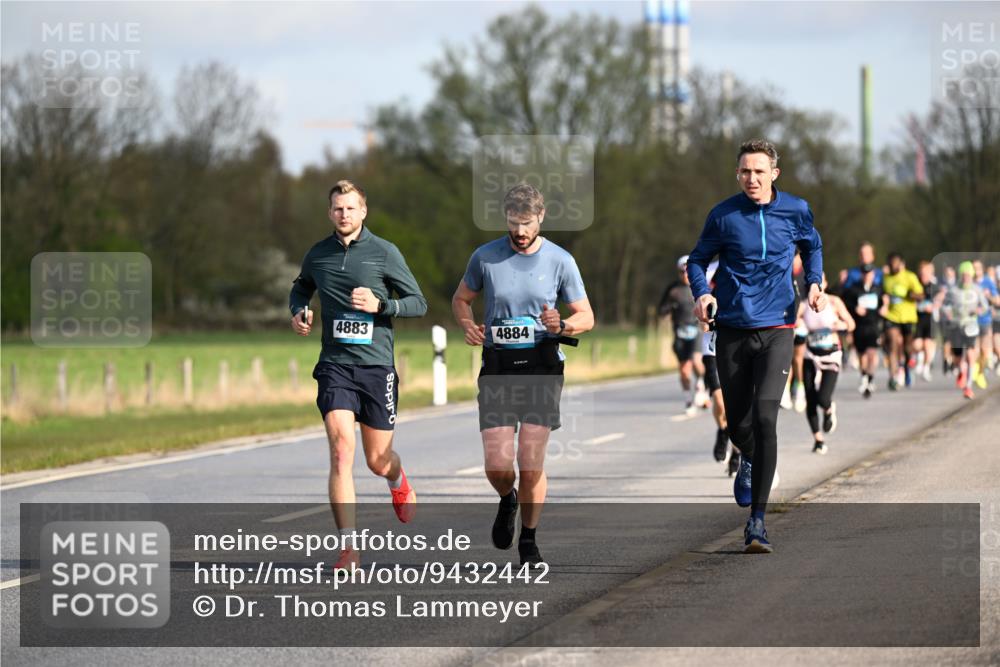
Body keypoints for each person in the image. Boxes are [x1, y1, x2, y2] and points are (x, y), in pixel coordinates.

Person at [688, 139, 825, 554]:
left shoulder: (796, 210)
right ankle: (747, 456)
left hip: (779, 327)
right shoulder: (724, 215)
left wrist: (814, 281)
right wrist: (701, 294)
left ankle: (757, 524)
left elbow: (812, 245)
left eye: (759, 172)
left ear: (774, 175)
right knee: (738, 425)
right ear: (738, 174)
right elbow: (697, 260)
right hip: (731, 328)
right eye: (745, 172)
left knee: (766, 418)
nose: (752, 179)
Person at [452, 183, 594, 566]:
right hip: (497, 367)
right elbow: (461, 299)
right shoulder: (485, 257)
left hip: (542, 366)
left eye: (527, 223)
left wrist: (561, 325)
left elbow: (587, 317)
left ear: (541, 218)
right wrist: (467, 324)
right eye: (513, 223)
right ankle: (507, 497)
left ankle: (529, 541)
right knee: (498, 465)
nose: (519, 231)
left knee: (530, 460)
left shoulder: (560, 260)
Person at [289, 180, 427, 570]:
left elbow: (418, 302)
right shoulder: (318, 255)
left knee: (377, 460)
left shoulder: (385, 252)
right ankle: (348, 549)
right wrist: (299, 311)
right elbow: (300, 289)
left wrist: (381, 304)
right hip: (335, 365)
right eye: (337, 209)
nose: (344, 214)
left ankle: (397, 480)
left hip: (376, 367)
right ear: (329, 212)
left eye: (350, 208)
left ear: (363, 211)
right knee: (340, 451)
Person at [797, 274, 855, 454]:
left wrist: (841, 325)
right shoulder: (803, 305)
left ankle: (829, 409)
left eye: (821, 281)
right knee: (810, 398)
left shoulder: (834, 302)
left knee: (823, 398)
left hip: (831, 355)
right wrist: (797, 323)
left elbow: (851, 324)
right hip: (810, 356)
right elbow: (791, 321)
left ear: (826, 284)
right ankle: (818, 439)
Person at [658, 255, 708, 416]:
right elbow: (662, 310)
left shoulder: (700, 287)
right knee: (684, 371)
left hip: (697, 330)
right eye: (682, 272)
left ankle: (701, 385)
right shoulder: (672, 290)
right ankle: (688, 400)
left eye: (688, 271)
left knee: (697, 362)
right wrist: (667, 310)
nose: (685, 275)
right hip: (679, 331)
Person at [941, 262, 989, 399]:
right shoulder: (953, 290)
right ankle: (960, 370)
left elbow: (985, 306)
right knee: (957, 357)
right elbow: (945, 306)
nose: (966, 278)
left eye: (968, 275)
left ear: (972, 275)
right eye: (964, 275)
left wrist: (979, 310)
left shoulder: (977, 290)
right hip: (956, 325)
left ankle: (968, 387)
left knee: (970, 354)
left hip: (971, 325)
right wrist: (948, 312)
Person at [880, 252, 923, 390]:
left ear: (901, 263)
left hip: (908, 317)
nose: (893, 266)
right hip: (892, 316)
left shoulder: (910, 277)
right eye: (891, 264)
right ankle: (893, 377)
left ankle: (907, 367)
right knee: (892, 345)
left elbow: (921, 295)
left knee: (907, 348)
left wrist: (911, 295)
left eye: (895, 264)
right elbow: (883, 293)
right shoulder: (886, 278)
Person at [843, 263, 883, 398]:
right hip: (859, 327)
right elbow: (846, 304)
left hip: (873, 326)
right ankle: (864, 376)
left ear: (873, 275)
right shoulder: (854, 289)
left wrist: (885, 307)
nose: (867, 276)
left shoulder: (878, 289)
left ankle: (870, 379)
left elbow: (883, 303)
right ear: (861, 275)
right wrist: (855, 308)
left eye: (870, 273)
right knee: (862, 356)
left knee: (872, 353)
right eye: (865, 273)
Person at [972, 260, 998, 389]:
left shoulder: (988, 282)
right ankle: (975, 370)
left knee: (985, 350)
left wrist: (989, 297)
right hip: (971, 321)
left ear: (982, 269)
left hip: (985, 320)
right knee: (974, 349)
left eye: (978, 268)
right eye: (973, 268)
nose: (975, 271)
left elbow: (997, 301)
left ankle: (980, 372)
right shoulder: (968, 282)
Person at [913, 260, 940, 382]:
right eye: (923, 272)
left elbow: (941, 299)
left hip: (930, 319)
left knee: (928, 345)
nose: (925, 274)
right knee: (917, 344)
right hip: (917, 318)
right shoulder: (915, 283)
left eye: (928, 271)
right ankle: (920, 357)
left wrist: (935, 305)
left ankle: (926, 367)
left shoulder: (935, 284)